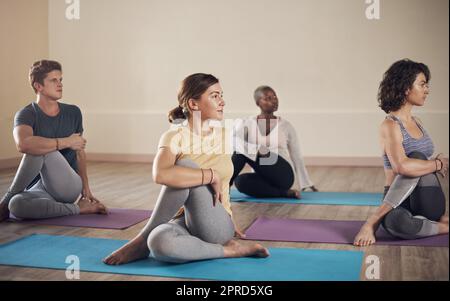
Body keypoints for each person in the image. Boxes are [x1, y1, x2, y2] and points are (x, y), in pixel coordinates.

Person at [103, 73, 269, 264]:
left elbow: (224, 186)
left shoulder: (225, 136)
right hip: (183, 220)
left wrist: (227, 214)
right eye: (214, 96)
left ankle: (141, 241)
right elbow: (160, 174)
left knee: (185, 167)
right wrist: (210, 175)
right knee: (158, 242)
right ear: (193, 104)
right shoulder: (173, 137)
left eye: (221, 95)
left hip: (215, 224)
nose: (222, 101)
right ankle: (229, 251)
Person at [354, 59, 449, 246]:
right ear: (406, 88)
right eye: (422, 84)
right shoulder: (390, 125)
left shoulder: (418, 121)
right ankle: (443, 227)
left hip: (427, 199)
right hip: (396, 199)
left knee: (417, 159)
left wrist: (430, 164)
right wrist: (437, 164)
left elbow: (417, 167)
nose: (427, 90)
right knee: (397, 223)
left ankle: (372, 221)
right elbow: (401, 166)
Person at [0, 60, 107, 222]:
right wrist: (66, 141)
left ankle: (4, 202)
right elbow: (23, 144)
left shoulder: (73, 112)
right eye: (53, 80)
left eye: (60, 80)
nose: (60, 84)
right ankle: (77, 209)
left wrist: (86, 189)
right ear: (38, 86)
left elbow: (79, 153)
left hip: (68, 186)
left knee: (40, 151)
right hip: (40, 188)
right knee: (16, 205)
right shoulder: (26, 114)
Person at [230, 85, 317, 199]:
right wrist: (257, 150)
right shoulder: (247, 123)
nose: (274, 101)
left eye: (275, 97)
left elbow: (297, 155)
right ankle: (284, 193)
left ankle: (223, 187)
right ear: (258, 103)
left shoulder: (286, 126)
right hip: (262, 175)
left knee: (242, 151)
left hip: (284, 174)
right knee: (240, 181)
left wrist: (306, 183)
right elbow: (235, 143)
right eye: (268, 98)